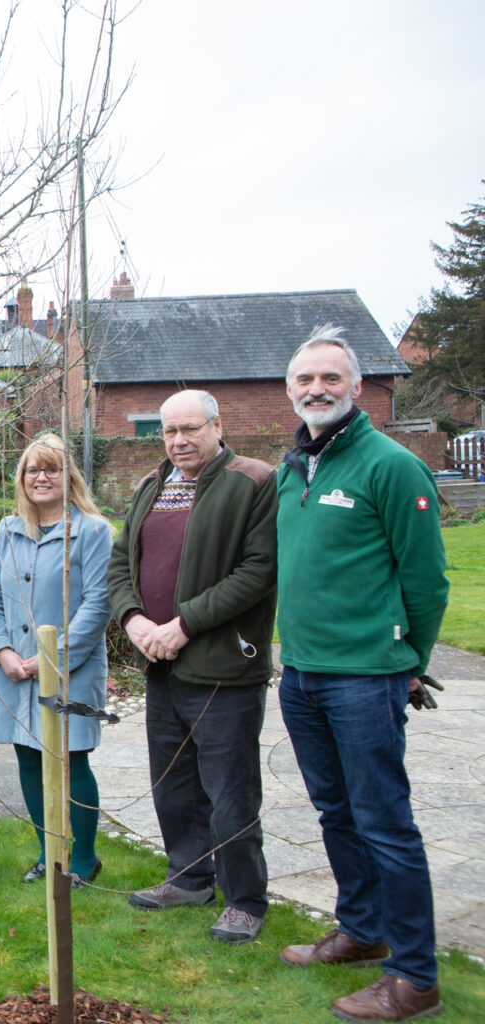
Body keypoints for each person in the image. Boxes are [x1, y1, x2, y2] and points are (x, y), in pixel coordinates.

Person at [275, 325, 449, 1022]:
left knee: (385, 823)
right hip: (303, 674)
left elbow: (428, 582)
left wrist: (410, 664)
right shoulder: (296, 468)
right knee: (335, 811)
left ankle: (415, 978)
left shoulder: (391, 465)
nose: (316, 389)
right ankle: (362, 929)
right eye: (304, 380)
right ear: (290, 391)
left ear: (355, 385)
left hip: (364, 678)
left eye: (330, 379)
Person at [107, 390, 278, 943]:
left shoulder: (254, 481)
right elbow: (119, 564)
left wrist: (182, 625)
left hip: (224, 666)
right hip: (161, 665)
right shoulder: (151, 486)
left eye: (189, 429)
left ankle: (245, 899)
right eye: (167, 432)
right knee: (173, 784)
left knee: (230, 792)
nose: (178, 441)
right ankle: (188, 878)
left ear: (217, 426)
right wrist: (133, 620)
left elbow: (257, 572)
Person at [0, 433, 111, 889]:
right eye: (33, 469)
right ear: (22, 478)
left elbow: (98, 605)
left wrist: (51, 660)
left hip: (72, 671)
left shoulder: (91, 532)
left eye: (52, 468)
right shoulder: (8, 530)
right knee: (29, 760)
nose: (41, 477)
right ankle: (47, 853)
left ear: (68, 476)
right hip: (15, 671)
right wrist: (2, 651)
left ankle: (84, 860)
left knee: (72, 761)